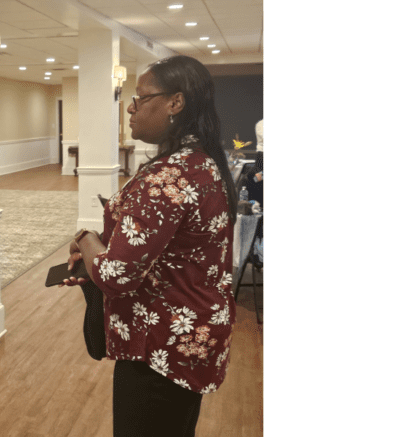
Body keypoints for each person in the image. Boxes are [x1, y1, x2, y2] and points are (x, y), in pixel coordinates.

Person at [62, 55, 238, 437]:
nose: (130, 106)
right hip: (192, 333)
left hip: (161, 347)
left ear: (175, 103)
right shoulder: (202, 163)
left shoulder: (169, 176)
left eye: (141, 97)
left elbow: (115, 275)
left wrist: (87, 239)